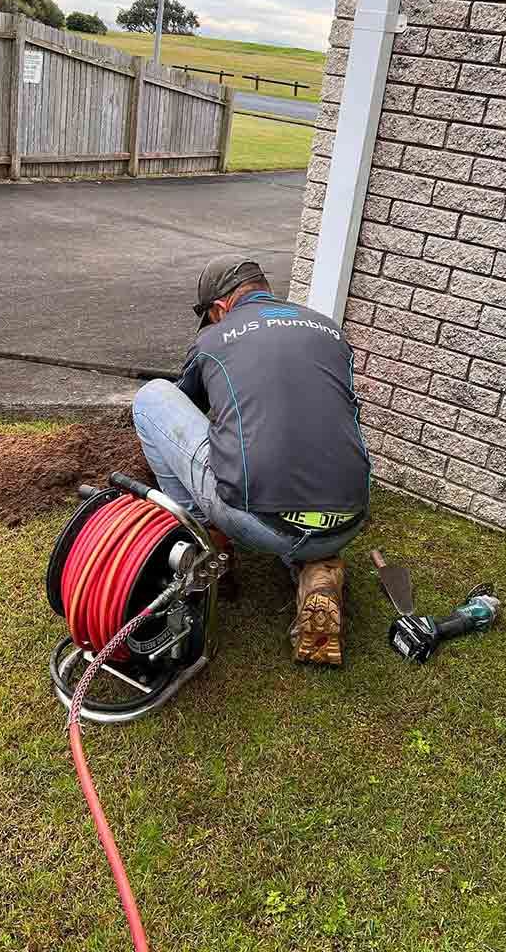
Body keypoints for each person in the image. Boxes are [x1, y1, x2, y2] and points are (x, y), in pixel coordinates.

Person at [132, 254, 370, 665]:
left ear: (219, 308)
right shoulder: (330, 332)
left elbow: (188, 405)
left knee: (153, 397)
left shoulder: (213, 340)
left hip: (260, 522)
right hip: (349, 517)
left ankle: (206, 548)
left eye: (210, 317)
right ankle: (315, 568)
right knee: (296, 471)